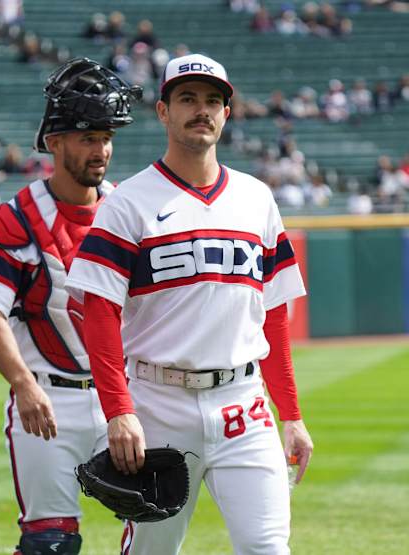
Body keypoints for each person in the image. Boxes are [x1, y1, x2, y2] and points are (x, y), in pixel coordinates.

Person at [66, 53, 314, 554]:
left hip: (244, 404)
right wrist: (118, 411)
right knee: (153, 550)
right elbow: (98, 314)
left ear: (226, 113)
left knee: (268, 547)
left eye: (212, 101)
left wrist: (291, 414)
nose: (201, 110)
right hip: (157, 404)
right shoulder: (128, 203)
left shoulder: (257, 198)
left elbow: (274, 315)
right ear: (163, 111)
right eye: (187, 99)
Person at [0, 57, 141, 555]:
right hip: (48, 398)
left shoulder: (127, 208)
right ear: (53, 142)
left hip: (121, 396)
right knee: (51, 543)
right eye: (86, 136)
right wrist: (22, 384)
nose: (101, 149)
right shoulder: (15, 219)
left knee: (154, 519)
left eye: (106, 136)